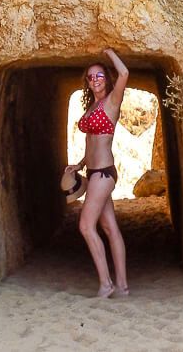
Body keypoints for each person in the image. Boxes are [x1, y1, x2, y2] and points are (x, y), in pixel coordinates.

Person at [63, 47, 129, 297]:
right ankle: (121, 286)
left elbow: (124, 72)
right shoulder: (93, 106)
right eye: (90, 77)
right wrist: (80, 165)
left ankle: (106, 284)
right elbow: (92, 141)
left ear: (106, 78)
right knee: (110, 229)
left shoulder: (112, 101)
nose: (95, 80)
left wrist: (109, 52)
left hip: (103, 173)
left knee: (85, 226)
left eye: (99, 75)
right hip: (92, 172)